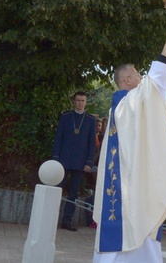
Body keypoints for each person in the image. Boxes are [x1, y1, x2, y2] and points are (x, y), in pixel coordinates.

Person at [93, 26, 166, 262]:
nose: (142, 77)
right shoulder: (129, 104)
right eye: (138, 74)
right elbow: (157, 81)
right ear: (127, 79)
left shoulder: (119, 108)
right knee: (137, 221)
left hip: (129, 180)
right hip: (132, 184)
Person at [52, 91, 97, 231]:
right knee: (57, 189)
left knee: (73, 193)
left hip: (80, 161)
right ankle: (51, 218)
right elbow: (58, 138)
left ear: (86, 102)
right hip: (63, 159)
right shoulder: (65, 117)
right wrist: (55, 158)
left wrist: (89, 162)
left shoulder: (90, 120)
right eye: (78, 100)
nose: (80, 103)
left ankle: (67, 221)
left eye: (82, 101)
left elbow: (91, 144)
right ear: (74, 101)